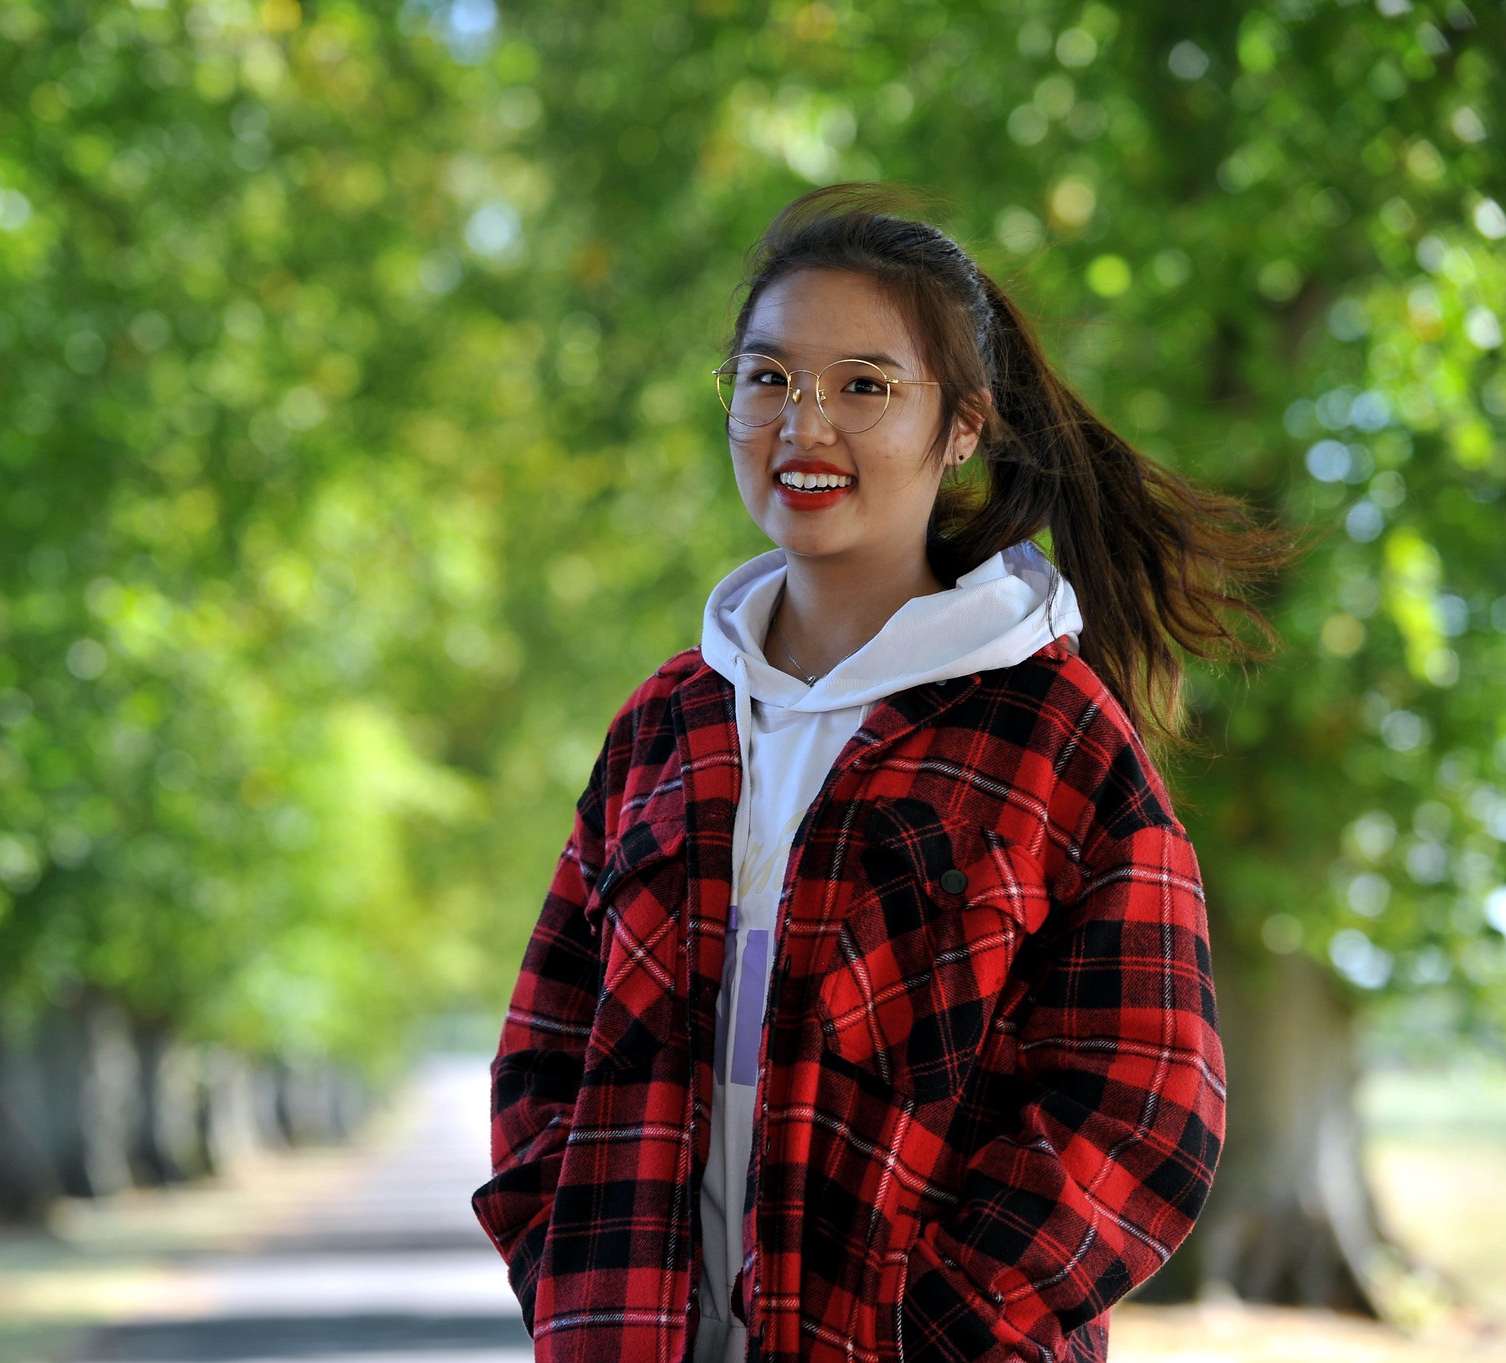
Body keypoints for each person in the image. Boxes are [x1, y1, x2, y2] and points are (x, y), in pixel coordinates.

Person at [473, 184, 1285, 1363]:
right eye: (767, 378)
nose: (803, 425)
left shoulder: (1049, 733)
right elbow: (543, 1047)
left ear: (961, 427)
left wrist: (940, 1327)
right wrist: (570, 1276)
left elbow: (1144, 1101)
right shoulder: (666, 725)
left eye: (864, 386)